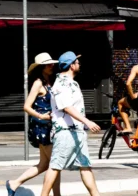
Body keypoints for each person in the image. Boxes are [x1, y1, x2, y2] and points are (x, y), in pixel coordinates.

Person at [40, 51, 101, 196]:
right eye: (77, 62)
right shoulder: (61, 83)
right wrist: (87, 121)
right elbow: (66, 107)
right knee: (55, 166)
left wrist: (83, 125)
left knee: (85, 166)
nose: (79, 64)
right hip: (65, 132)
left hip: (77, 132)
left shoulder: (72, 83)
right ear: (71, 66)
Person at [6, 53, 61, 196]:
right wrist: (41, 115)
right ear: (42, 67)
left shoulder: (50, 81)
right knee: (55, 164)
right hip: (42, 128)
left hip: (48, 127)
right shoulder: (38, 83)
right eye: (49, 64)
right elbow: (26, 106)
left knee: (44, 164)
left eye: (52, 63)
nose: (52, 66)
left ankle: (14, 183)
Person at [117, 45, 138, 135]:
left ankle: (128, 127)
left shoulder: (136, 68)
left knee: (120, 103)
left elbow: (128, 83)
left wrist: (132, 96)